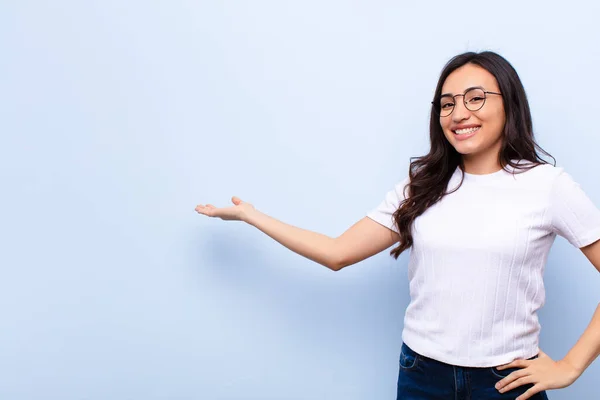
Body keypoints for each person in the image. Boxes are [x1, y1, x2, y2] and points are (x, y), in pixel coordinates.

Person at [195, 51, 600, 400]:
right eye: (446, 104)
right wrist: (252, 215)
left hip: (507, 382)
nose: (459, 113)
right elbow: (337, 253)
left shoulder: (546, 185)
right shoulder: (422, 186)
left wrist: (570, 367)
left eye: (475, 99)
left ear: (509, 104)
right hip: (423, 375)